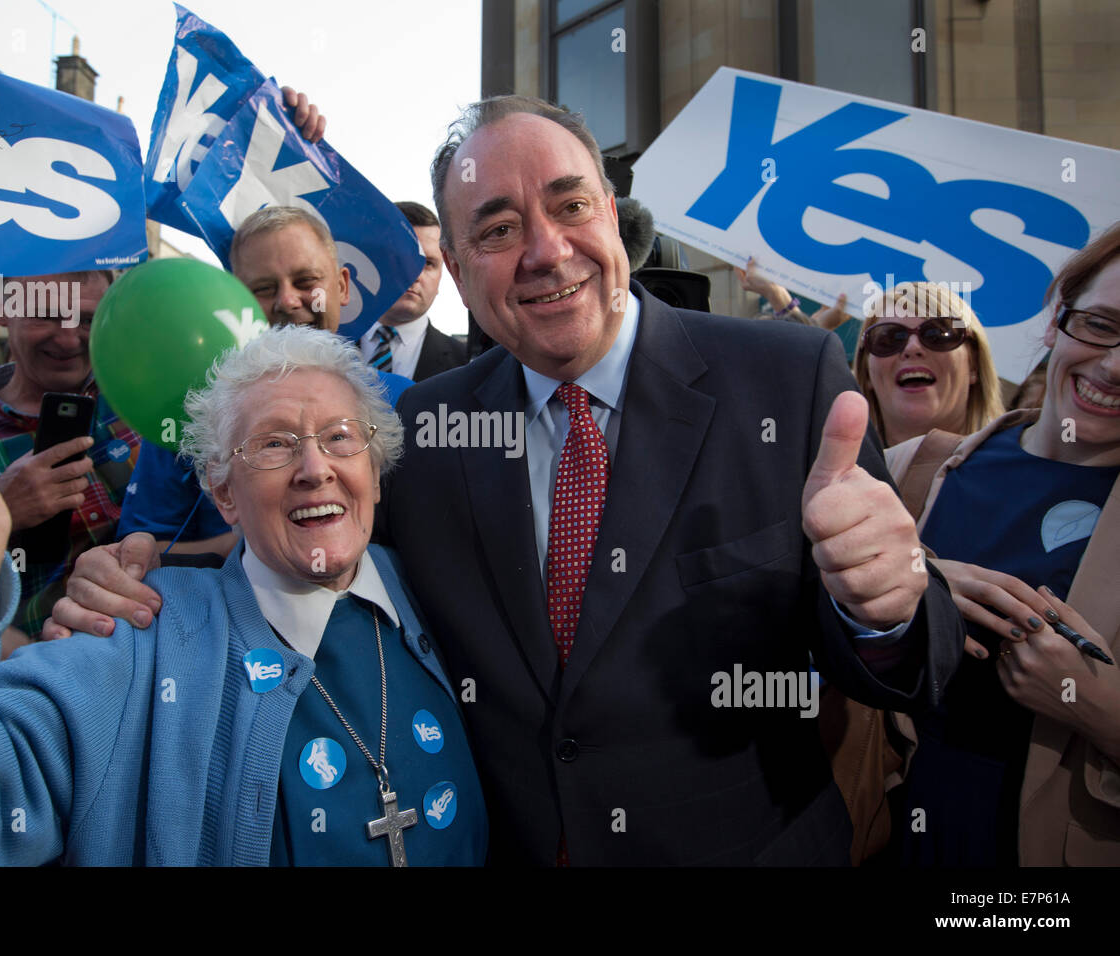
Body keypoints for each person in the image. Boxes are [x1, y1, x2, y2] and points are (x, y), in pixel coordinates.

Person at [53, 96, 966, 865]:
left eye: (570, 206)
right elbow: (308, 576)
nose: (543, 250)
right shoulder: (417, 433)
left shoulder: (789, 380)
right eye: (496, 227)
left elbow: (912, 669)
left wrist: (884, 607)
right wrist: (140, 601)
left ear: (613, 215)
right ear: (453, 268)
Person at [0, 327, 487, 866]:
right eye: (275, 445)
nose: (316, 469)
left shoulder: (446, 587)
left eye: (341, 438)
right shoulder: (134, 632)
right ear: (223, 494)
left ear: (374, 465)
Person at [884, 223, 1120, 866]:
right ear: (1056, 321)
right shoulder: (911, 471)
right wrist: (909, 588)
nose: (1114, 365)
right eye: (1101, 325)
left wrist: (1098, 706)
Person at [117, 206, 414, 558]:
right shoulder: (187, 413)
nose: (287, 301)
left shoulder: (404, 401)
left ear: (342, 286)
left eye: (306, 282)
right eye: (263, 288)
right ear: (232, 298)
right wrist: (253, 544)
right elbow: (137, 555)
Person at [0, 270, 141, 650]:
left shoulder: (141, 401)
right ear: (1, 308)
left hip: (156, 661)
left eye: (88, 319)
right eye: (46, 315)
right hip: (33, 679)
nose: (67, 337)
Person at [852, 281, 1004, 447]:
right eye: (889, 338)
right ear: (866, 372)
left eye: (937, 335)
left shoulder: (1018, 467)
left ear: (973, 363)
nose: (912, 347)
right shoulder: (823, 462)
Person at [356, 201, 465, 381]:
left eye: (428, 263)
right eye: (401, 259)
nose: (415, 275)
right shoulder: (322, 350)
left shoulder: (466, 365)